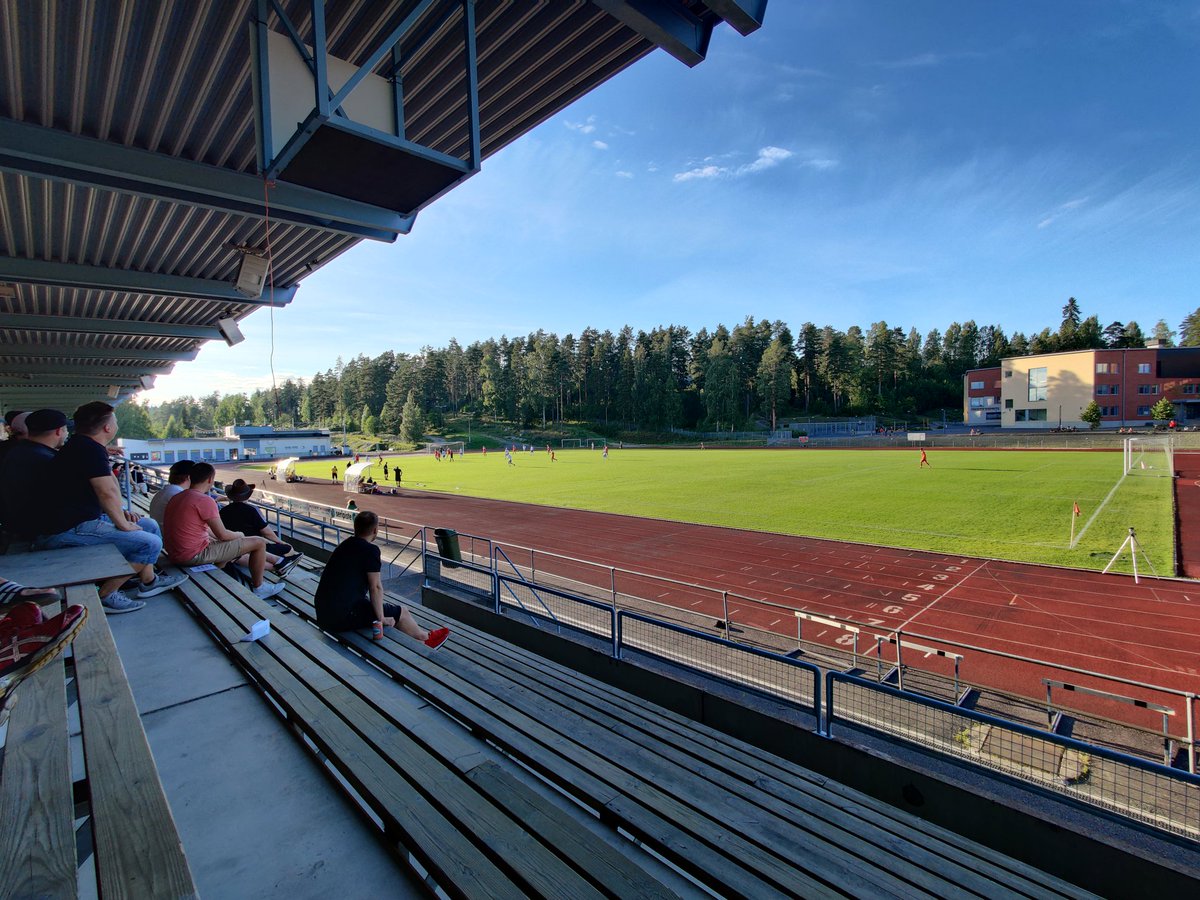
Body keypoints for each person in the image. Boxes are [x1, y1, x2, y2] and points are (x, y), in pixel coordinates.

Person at [34, 402, 187, 614]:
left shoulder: (83, 446)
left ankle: (149, 582)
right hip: (65, 530)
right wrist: (122, 523)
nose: (116, 424)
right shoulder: (89, 450)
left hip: (75, 521)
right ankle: (104, 595)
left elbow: (108, 489)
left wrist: (121, 514)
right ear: (107, 428)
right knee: (150, 544)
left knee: (149, 525)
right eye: (114, 421)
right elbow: (107, 492)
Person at [314, 511, 449, 649]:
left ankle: (421, 642)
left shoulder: (344, 545)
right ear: (375, 530)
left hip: (324, 613)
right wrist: (381, 618)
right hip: (342, 616)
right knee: (402, 612)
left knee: (384, 611)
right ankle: (425, 639)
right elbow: (376, 587)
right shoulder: (370, 550)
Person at [162, 462, 284, 599]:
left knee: (230, 546)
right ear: (210, 480)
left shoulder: (177, 497)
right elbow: (223, 535)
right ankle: (259, 587)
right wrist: (240, 535)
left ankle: (218, 573)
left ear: (190, 478)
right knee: (259, 542)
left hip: (174, 553)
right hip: (191, 555)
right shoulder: (205, 500)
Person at [1, 409, 69, 542]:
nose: (67, 434)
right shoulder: (45, 460)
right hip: (42, 533)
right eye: (66, 430)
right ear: (58, 431)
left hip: (18, 527)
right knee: (122, 540)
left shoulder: (18, 452)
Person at [220, 479, 302, 577]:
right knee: (288, 548)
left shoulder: (223, 511)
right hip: (254, 547)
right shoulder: (251, 510)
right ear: (247, 496)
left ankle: (281, 567)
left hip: (234, 548)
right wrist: (281, 542)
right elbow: (267, 532)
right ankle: (281, 568)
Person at [149, 459, 195, 529]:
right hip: (167, 536)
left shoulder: (164, 492)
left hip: (159, 532)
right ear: (189, 477)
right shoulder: (179, 495)